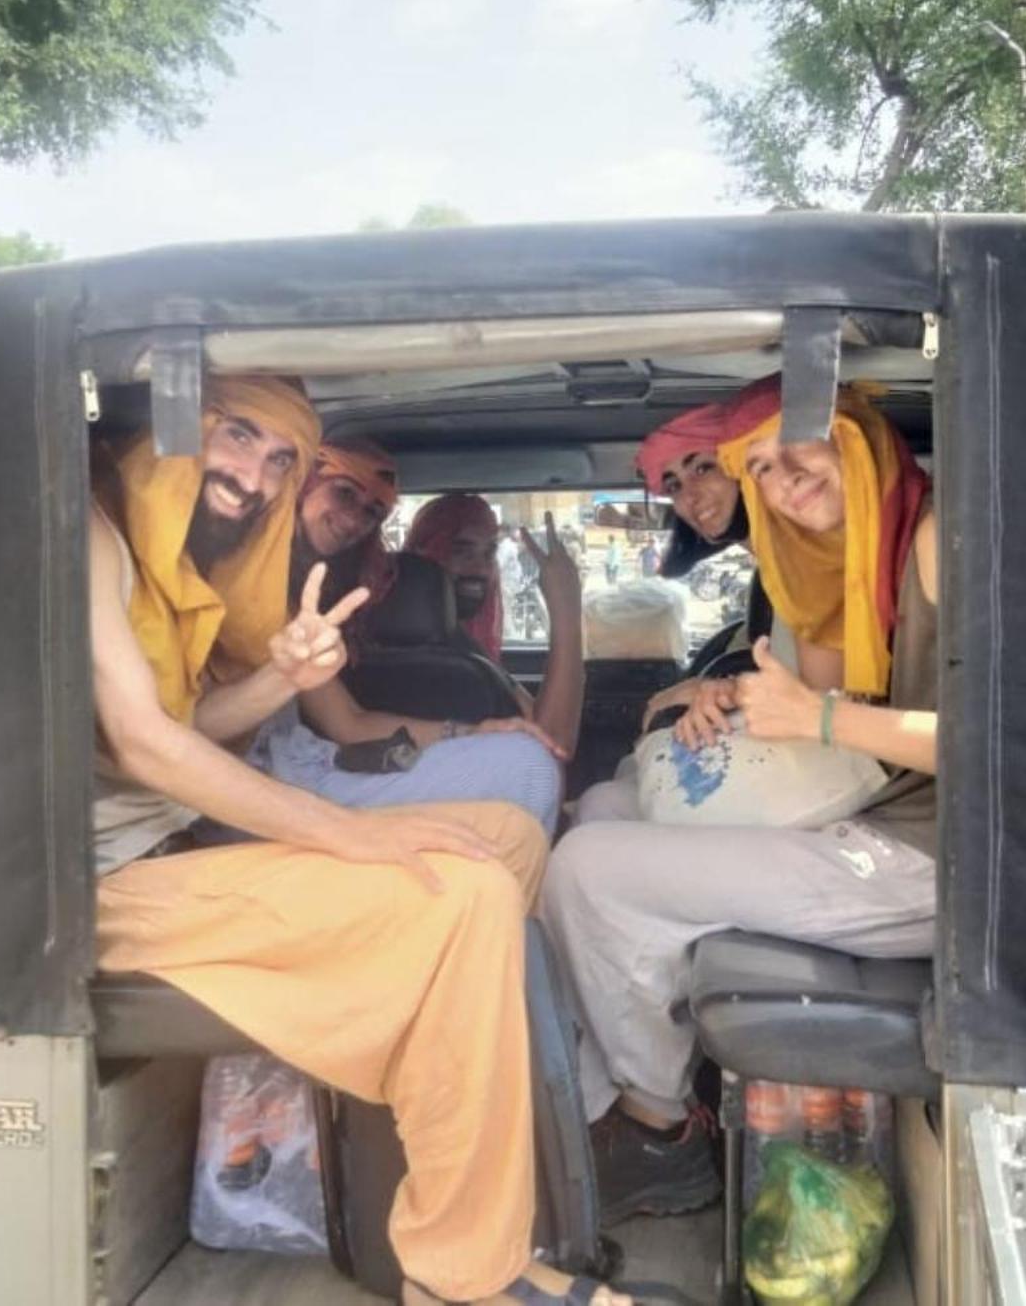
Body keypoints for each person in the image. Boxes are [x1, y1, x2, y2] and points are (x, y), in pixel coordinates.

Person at [87, 375, 630, 1306]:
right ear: (183, 426)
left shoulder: (192, 565)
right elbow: (144, 744)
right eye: (237, 436)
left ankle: (492, 1135)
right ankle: (464, 1276)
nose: (254, 474)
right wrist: (346, 834)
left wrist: (277, 679)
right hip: (97, 888)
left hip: (179, 853)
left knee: (497, 836)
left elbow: (198, 721)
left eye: (279, 460)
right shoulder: (91, 535)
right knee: (459, 893)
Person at [542, 376, 938, 1228]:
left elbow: (1019, 745)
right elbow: (825, 703)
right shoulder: (827, 559)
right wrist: (733, 699)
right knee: (606, 810)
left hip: (941, 861)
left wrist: (813, 713)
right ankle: (614, 1095)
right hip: (871, 814)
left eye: (800, 448)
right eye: (757, 466)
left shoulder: (937, 540)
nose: (782, 480)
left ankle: (656, 1131)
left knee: (585, 865)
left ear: (858, 440)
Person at [240, 438, 565, 835]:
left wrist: (469, 732)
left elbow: (349, 724)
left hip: (309, 765)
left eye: (373, 512)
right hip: (274, 782)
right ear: (301, 485)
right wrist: (567, 611)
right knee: (529, 765)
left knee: (526, 758)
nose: (355, 519)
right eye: (344, 493)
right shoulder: (248, 587)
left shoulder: (296, 603)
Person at [570, 398, 753, 827]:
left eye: (702, 468)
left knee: (584, 849)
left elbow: (817, 697)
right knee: (598, 803)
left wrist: (713, 690)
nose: (688, 495)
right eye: (672, 485)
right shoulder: (771, 577)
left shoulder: (803, 571)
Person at [404, 494, 586, 756]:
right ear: (423, 556)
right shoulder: (460, 660)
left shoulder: (463, 647)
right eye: (460, 551)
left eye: (489, 553)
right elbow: (554, 745)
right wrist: (566, 609)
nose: (480, 568)